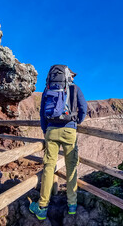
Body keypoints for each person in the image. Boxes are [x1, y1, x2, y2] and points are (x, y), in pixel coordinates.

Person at [29, 65, 87, 220]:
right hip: (69, 131)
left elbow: (42, 114)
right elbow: (83, 109)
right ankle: (72, 206)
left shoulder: (48, 89)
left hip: (51, 131)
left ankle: (42, 207)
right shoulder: (75, 89)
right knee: (71, 168)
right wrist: (76, 123)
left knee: (48, 168)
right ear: (69, 75)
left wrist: (45, 130)